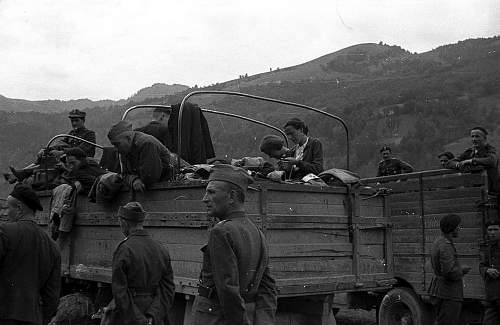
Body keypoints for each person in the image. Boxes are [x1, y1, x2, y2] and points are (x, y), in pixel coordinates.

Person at [192, 164, 277, 325]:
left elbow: (227, 289)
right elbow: (268, 288)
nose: (204, 199)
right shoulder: (257, 232)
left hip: (217, 317)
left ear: (232, 196)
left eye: (211, 192)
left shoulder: (221, 231)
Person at [104, 202, 175, 325]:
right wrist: (152, 316)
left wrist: (138, 320)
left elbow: (119, 292)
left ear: (124, 223)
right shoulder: (161, 248)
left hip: (129, 315)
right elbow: (168, 289)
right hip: (155, 314)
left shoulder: (124, 249)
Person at [0, 184, 61, 325]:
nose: (4, 213)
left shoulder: (5, 232)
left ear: (20, 208)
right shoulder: (52, 246)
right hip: (33, 318)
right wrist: (41, 319)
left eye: (7, 208)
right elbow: (52, 297)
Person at [7, 109, 97, 182]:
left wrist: (62, 152)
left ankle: (20, 174)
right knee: (44, 157)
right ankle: (21, 173)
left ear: (83, 121)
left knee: (52, 163)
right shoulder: (71, 134)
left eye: (77, 121)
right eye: (72, 121)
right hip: (68, 160)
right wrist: (45, 149)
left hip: (81, 162)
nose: (74, 123)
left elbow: (81, 150)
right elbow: (59, 144)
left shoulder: (89, 134)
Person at [107, 120, 185, 192]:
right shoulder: (123, 150)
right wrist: (134, 180)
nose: (116, 148)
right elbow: (123, 174)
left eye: (117, 144)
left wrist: (138, 180)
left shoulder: (146, 143)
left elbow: (150, 177)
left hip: (181, 175)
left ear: (128, 138)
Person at [427, 214, 471, 325]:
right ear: (452, 228)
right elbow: (448, 272)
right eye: (458, 226)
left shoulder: (438, 241)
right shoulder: (445, 245)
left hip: (441, 290)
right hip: (449, 293)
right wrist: (463, 270)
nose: (459, 229)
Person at [446, 127, 498, 192]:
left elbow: (492, 161)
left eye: (477, 136)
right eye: (472, 137)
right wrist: (458, 165)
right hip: (473, 190)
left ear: (484, 139)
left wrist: (471, 161)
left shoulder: (490, 150)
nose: (474, 139)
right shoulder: (469, 152)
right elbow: (449, 163)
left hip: (490, 191)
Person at [479, 219, 500, 325]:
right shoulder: (486, 247)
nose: (492, 232)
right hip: (491, 295)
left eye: (495, 229)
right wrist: (487, 270)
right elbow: (481, 266)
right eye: (490, 230)